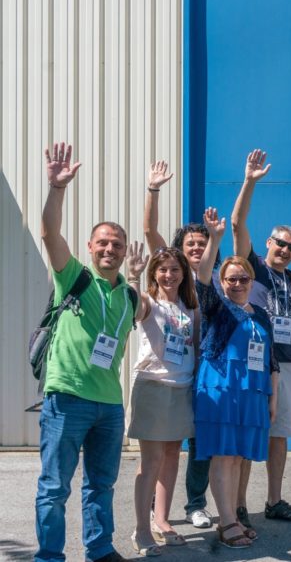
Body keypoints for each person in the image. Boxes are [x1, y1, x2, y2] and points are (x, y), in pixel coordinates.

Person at [35, 143, 141, 562]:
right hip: (67, 398)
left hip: (109, 404)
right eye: (103, 243)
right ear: (90, 246)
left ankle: (99, 549)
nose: (109, 249)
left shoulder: (129, 296)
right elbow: (48, 233)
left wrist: (140, 276)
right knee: (54, 487)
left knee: (101, 485)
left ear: (124, 250)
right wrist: (57, 188)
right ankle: (49, 556)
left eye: (117, 244)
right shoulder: (74, 277)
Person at [230, 149, 291, 525]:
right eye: (281, 243)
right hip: (256, 363)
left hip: (289, 365)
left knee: (279, 437)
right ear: (268, 242)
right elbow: (236, 223)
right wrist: (249, 182)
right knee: (250, 434)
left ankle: (274, 501)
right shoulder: (253, 267)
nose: (286, 251)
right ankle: (239, 506)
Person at [193, 209, 279, 549]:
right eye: (231, 279)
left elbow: (271, 360)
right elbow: (202, 277)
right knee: (224, 455)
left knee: (239, 457)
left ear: (252, 281)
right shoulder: (217, 305)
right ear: (223, 282)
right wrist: (214, 240)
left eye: (244, 279)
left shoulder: (261, 315)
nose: (238, 284)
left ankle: (231, 517)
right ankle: (227, 521)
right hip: (221, 386)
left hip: (252, 391)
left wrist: (272, 396)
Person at [142, 160, 216, 529]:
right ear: (178, 249)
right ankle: (154, 509)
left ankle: (195, 504)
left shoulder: (214, 278)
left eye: (203, 243)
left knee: (199, 442)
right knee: (164, 445)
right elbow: (149, 230)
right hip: (166, 373)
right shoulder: (171, 275)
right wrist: (154, 190)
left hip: (203, 370)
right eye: (191, 244)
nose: (197, 248)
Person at [127, 247, 200, 555]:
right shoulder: (148, 301)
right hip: (153, 386)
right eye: (163, 269)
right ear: (154, 273)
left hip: (182, 387)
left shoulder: (190, 306)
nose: (169, 275)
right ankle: (141, 529)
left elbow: (195, 346)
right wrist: (133, 277)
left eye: (175, 269)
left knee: (172, 455)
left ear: (184, 273)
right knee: (151, 461)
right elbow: (132, 309)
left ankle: (161, 521)